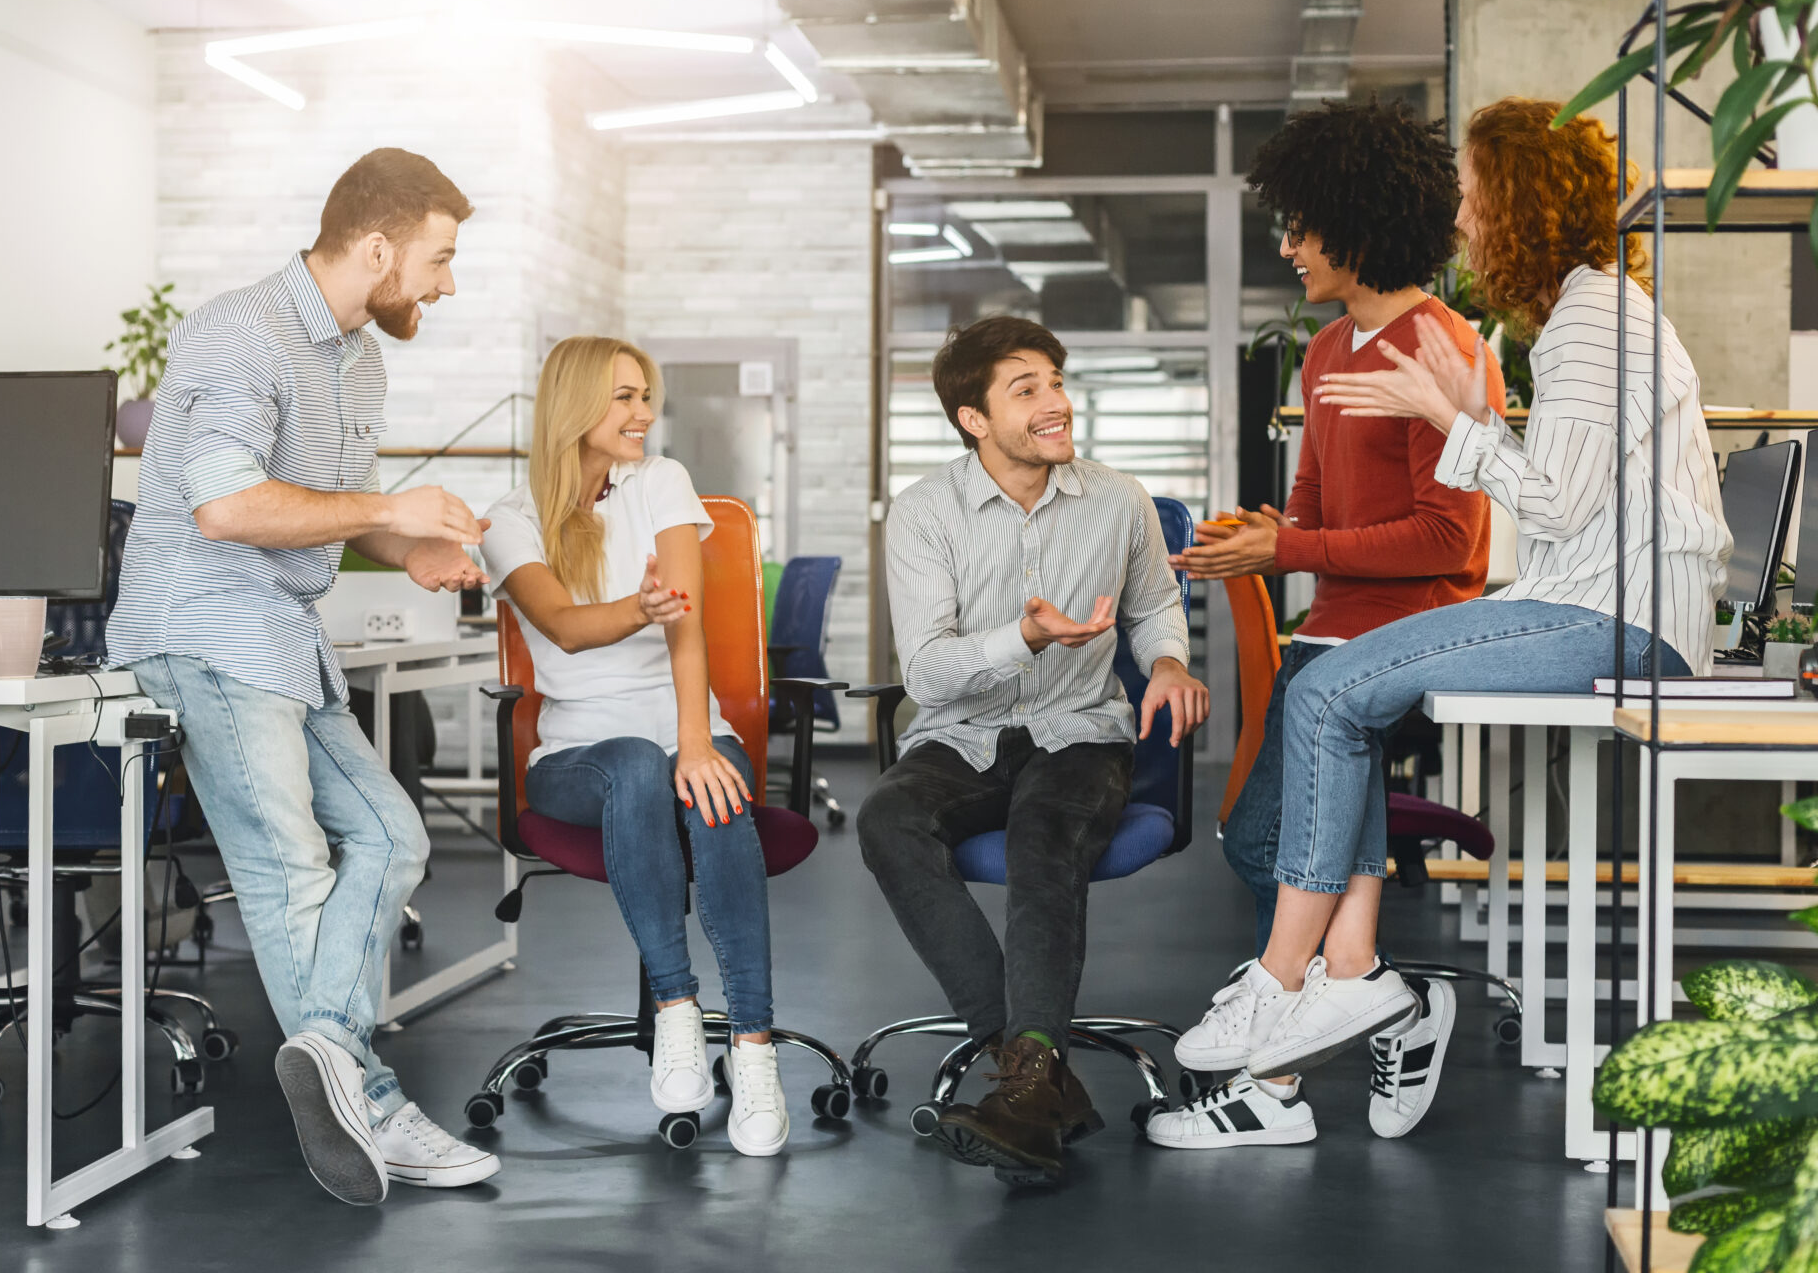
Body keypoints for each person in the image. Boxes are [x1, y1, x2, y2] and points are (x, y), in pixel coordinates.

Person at [1177, 97, 1732, 1105]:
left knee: (1327, 695)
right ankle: (1335, 976)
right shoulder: (1580, 314)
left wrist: (1453, 416)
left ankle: (1290, 981)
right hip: (1607, 599)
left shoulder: (1587, 323)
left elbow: (1555, 506)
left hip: (1617, 613)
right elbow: (1572, 498)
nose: (1463, 218)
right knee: (1330, 693)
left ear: (1517, 200)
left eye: (1475, 194)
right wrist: (1476, 422)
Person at [106, 148, 502, 1205]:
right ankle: (368, 1098)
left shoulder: (360, 358)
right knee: (291, 866)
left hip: (285, 635)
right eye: (440, 257)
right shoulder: (238, 330)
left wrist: (404, 546)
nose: (446, 282)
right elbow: (227, 506)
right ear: (377, 246)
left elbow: (328, 508)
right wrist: (389, 512)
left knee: (392, 834)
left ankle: (329, 1051)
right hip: (205, 628)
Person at [1158, 98, 1495, 1150]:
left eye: (1304, 225)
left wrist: (1290, 551)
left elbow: (1452, 543)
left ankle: (1329, 1024)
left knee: (1266, 831)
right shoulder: (1325, 351)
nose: (1291, 245)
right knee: (1274, 831)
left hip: (1409, 636)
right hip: (1336, 630)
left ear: (1358, 222)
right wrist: (1271, 530)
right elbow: (1314, 501)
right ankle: (1346, 1003)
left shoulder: (1443, 348)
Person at [856, 314, 1210, 1188]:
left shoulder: (1120, 500)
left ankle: (1024, 1079)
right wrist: (1023, 636)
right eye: (1028, 389)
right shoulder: (924, 514)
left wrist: (1167, 661)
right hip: (963, 732)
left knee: (1041, 842)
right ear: (974, 419)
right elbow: (930, 674)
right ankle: (1033, 1069)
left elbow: (1156, 605)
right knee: (886, 819)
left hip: (1080, 730)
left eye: (1056, 380)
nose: (1057, 402)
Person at [479, 336, 790, 1158]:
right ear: (575, 405)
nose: (644, 413)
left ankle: (754, 1050)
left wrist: (698, 740)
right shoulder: (512, 519)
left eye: (645, 395)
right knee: (631, 765)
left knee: (707, 786)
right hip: (576, 760)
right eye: (623, 397)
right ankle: (677, 1006)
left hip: (685, 725)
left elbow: (687, 626)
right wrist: (637, 607)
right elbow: (565, 628)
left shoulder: (662, 480)